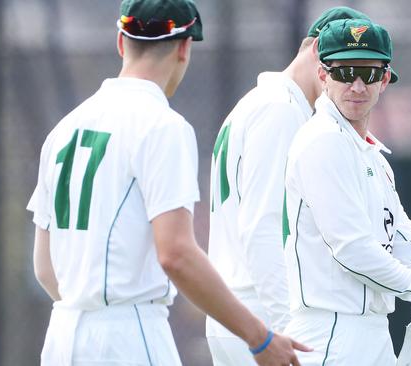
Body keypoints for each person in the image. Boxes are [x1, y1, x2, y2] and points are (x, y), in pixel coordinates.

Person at [27, 0, 309, 365]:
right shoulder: (162, 126)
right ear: (184, 47)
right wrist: (260, 337)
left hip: (61, 335)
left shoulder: (64, 129)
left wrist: (86, 311)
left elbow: (44, 267)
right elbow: (176, 254)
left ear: (120, 42)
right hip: (127, 336)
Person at [282, 18, 411, 365]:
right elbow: (352, 249)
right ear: (323, 75)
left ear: (384, 80)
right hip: (330, 334)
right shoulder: (323, 141)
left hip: (370, 331)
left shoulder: (368, 154)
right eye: (344, 71)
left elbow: (403, 239)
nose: (356, 85)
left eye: (367, 73)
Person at [206, 7, 371, 366]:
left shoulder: (263, 104)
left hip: (242, 312)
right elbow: (264, 229)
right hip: (261, 315)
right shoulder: (280, 111)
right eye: (343, 69)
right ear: (315, 51)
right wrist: (286, 332)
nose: (352, 83)